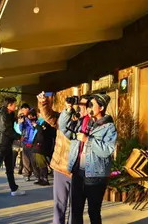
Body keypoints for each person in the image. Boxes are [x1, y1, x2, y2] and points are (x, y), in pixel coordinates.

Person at [59, 94, 117, 224]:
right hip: (78, 172)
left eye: (91, 105)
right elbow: (64, 128)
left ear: (101, 107)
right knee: (75, 210)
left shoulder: (109, 127)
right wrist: (68, 109)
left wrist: (88, 140)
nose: (87, 107)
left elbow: (106, 150)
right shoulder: (82, 122)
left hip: (96, 175)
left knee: (94, 211)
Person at [37, 92, 71, 224]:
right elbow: (48, 115)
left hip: (79, 170)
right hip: (61, 166)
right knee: (59, 205)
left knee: (75, 208)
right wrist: (43, 103)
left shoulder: (87, 123)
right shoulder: (61, 119)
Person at [0, 97, 26, 197]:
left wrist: (19, 116)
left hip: (7, 143)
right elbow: (6, 129)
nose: (15, 106)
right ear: (9, 105)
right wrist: (19, 137)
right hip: (1, 143)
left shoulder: (9, 114)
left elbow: (13, 122)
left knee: (10, 167)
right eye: (14, 104)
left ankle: (14, 189)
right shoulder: (2, 114)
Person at [31, 110, 55, 186]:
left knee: (42, 162)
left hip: (42, 145)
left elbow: (42, 131)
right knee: (36, 162)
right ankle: (40, 178)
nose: (39, 115)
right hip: (36, 144)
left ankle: (45, 179)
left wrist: (36, 126)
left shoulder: (47, 122)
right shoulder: (39, 122)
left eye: (40, 113)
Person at [17, 103, 37, 181]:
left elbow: (33, 127)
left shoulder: (33, 116)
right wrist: (21, 122)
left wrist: (28, 119)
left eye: (23, 110)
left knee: (33, 160)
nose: (22, 111)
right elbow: (21, 129)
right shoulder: (24, 119)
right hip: (25, 141)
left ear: (27, 109)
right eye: (21, 110)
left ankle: (36, 175)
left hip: (32, 142)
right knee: (25, 160)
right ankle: (27, 174)